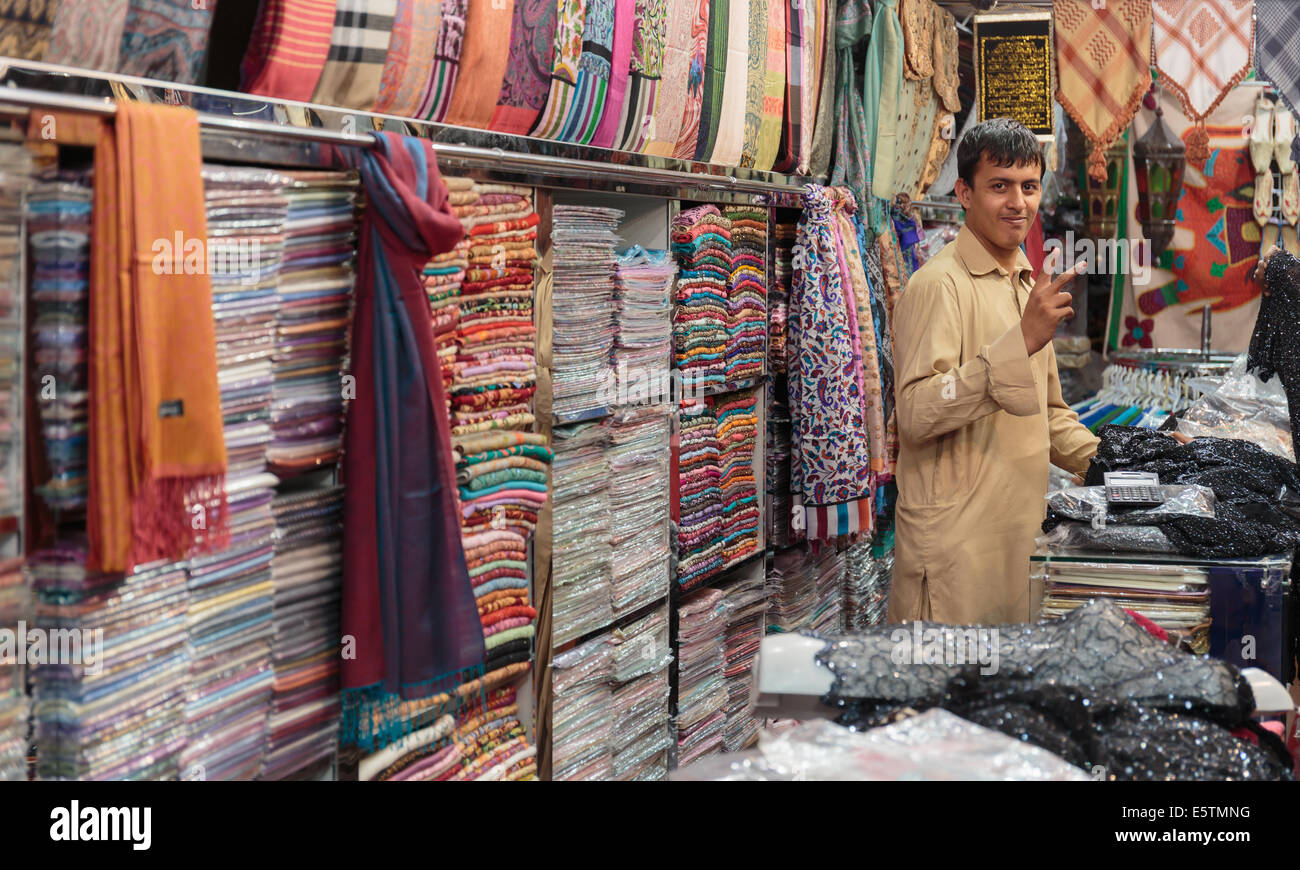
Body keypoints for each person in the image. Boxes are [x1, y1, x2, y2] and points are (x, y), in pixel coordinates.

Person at [886, 118, 1099, 625]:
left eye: (1028, 187)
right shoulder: (937, 286)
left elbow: (1048, 414)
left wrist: (1123, 468)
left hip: (1019, 545)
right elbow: (915, 412)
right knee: (949, 697)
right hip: (955, 554)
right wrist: (1019, 343)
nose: (1017, 203)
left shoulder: (1025, 287)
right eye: (999, 186)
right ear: (964, 192)